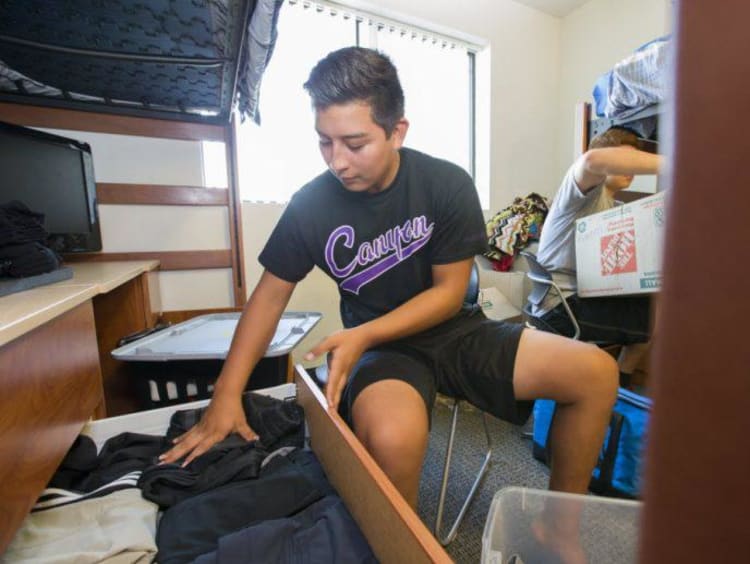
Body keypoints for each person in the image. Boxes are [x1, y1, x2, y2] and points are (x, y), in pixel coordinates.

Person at [161, 46, 617, 560]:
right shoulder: (312, 204)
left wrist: (361, 335)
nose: (337, 161)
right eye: (324, 142)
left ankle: (557, 529)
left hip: (455, 330)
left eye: (354, 143)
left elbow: (448, 294)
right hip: (384, 354)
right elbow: (268, 298)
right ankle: (390, 551)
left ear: (397, 131)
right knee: (395, 440)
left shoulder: (445, 183)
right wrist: (227, 393)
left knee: (596, 372)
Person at [534, 127, 663, 388]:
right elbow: (592, 161)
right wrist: (683, 161)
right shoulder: (583, 194)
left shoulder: (618, 211)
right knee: (659, 313)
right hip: (563, 306)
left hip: (575, 299)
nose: (632, 168)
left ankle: (615, 387)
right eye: (624, 160)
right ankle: (617, 386)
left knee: (657, 297)